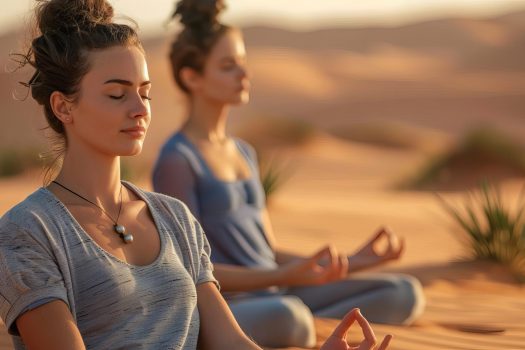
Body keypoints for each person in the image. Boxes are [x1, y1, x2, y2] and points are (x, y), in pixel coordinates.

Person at [0, 0, 392, 349]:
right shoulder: (29, 232)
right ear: (64, 107)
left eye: (145, 92)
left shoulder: (174, 219)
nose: (140, 109)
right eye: (117, 94)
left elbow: (230, 341)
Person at [153, 0, 425, 348]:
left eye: (243, 64)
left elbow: (268, 250)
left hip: (281, 291)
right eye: (228, 66)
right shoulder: (178, 160)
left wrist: (355, 261)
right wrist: (283, 277)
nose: (243, 75)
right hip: (234, 304)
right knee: (287, 314)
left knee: (403, 292)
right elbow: (190, 269)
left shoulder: (244, 152)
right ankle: (311, 327)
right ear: (192, 77)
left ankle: (319, 326)